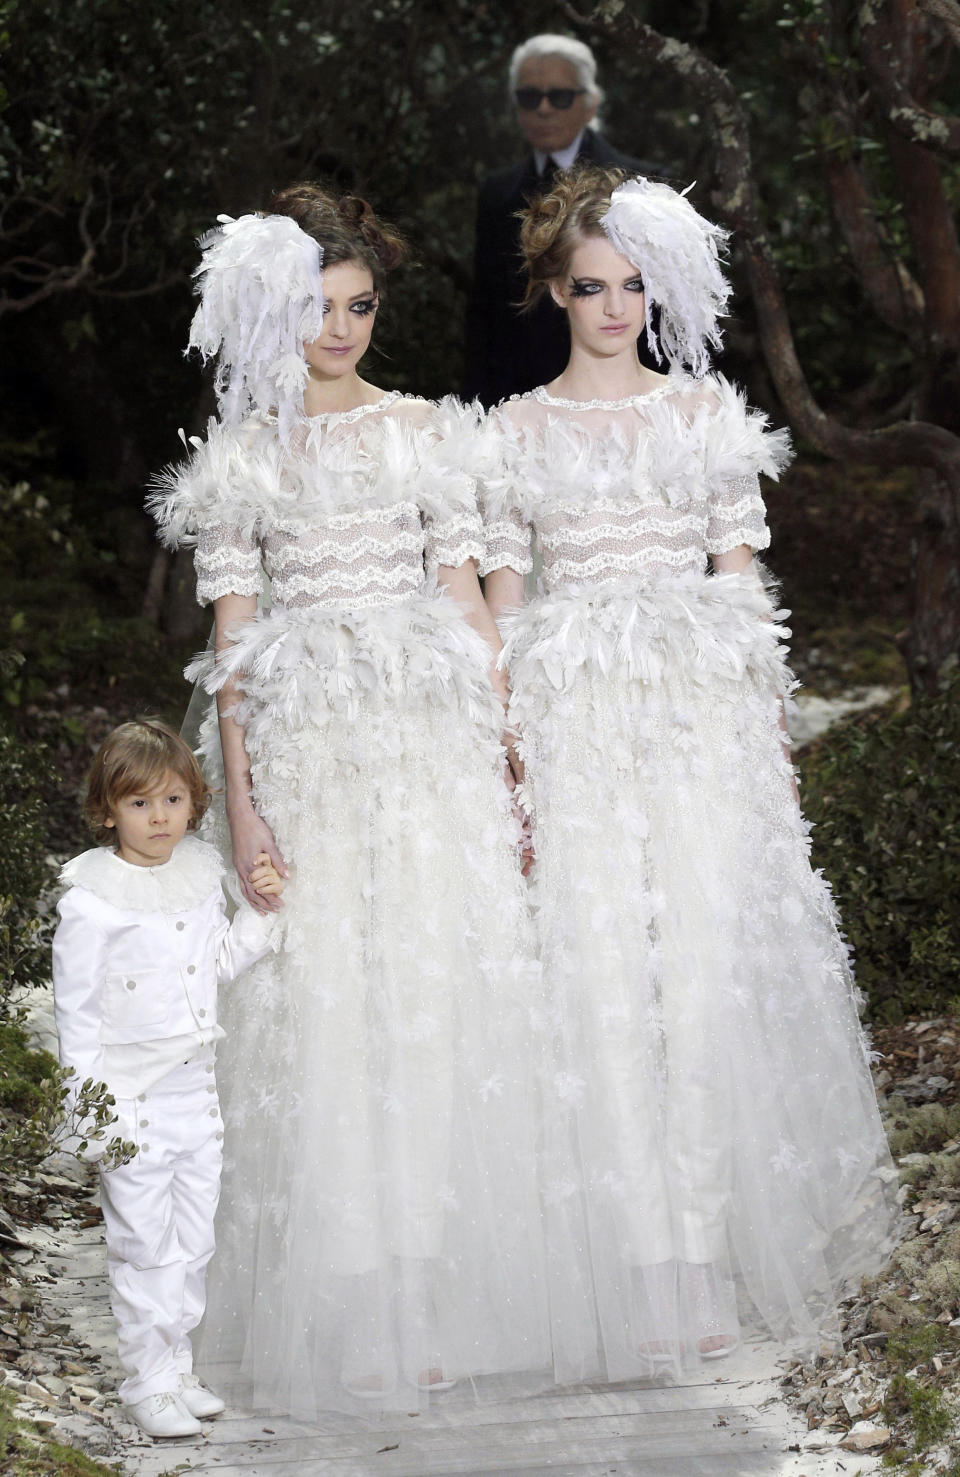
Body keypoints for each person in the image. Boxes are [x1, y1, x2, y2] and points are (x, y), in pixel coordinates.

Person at [479, 166, 898, 1385]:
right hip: (576, 730)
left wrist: (770, 740)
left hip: (703, 729)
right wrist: (511, 762)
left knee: (704, 980)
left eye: (634, 286)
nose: (616, 306)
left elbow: (741, 586)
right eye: (592, 286)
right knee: (605, 983)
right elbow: (505, 607)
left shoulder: (708, 415)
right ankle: (643, 1263)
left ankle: (707, 1251)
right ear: (557, 291)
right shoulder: (508, 436)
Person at [148, 186, 549, 1416]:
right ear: (279, 312)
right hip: (308, 754)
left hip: (428, 748)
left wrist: (510, 743)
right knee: (326, 1018)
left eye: (360, 306)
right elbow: (231, 647)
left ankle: (426, 1293)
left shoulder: (428, 430)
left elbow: (472, 600)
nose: (341, 328)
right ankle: (351, 1299)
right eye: (319, 308)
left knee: (428, 1005)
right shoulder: (243, 456)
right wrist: (245, 806)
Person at [52, 719, 283, 1438]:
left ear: (194, 803)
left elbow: (216, 965)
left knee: (193, 1238)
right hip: (131, 1101)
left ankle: (175, 1363)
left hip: (195, 1094)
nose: (159, 818)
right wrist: (90, 1112)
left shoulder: (195, 879)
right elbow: (77, 1015)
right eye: (140, 803)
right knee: (143, 1242)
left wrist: (264, 908)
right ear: (107, 809)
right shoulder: (92, 900)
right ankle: (145, 1378)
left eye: (173, 800)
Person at [463, 34, 660, 406]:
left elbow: (669, 309)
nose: (544, 109)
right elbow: (485, 313)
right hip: (519, 399)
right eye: (529, 97)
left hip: (628, 399)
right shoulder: (496, 192)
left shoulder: (643, 186)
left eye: (560, 96)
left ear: (590, 104)